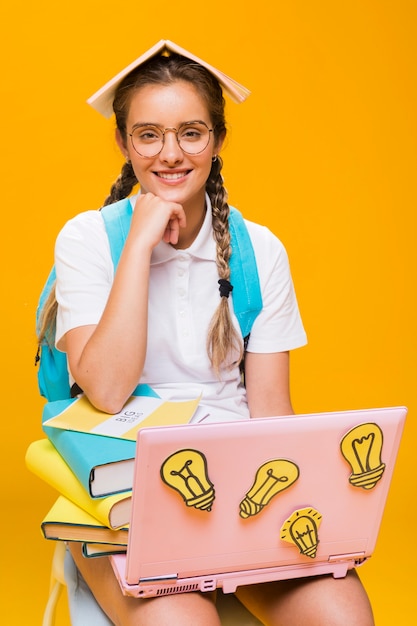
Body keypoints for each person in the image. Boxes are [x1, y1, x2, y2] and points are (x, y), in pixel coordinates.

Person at [38, 42, 375, 626]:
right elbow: (108, 392)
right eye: (148, 135)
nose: (171, 154)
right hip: (124, 492)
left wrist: (318, 516)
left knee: (343, 614)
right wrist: (139, 245)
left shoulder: (259, 250)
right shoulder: (87, 240)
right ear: (123, 143)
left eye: (191, 133)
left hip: (242, 489)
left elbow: (271, 410)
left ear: (218, 140)